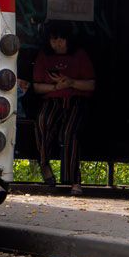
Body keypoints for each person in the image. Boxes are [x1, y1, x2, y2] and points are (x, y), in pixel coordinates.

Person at [31, 22, 97, 194]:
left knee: (69, 133)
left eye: (61, 40)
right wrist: (55, 88)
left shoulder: (79, 55)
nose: (58, 44)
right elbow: (37, 86)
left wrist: (71, 82)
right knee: (42, 122)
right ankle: (44, 165)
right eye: (54, 40)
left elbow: (90, 84)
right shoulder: (44, 56)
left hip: (76, 99)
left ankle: (74, 180)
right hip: (52, 99)